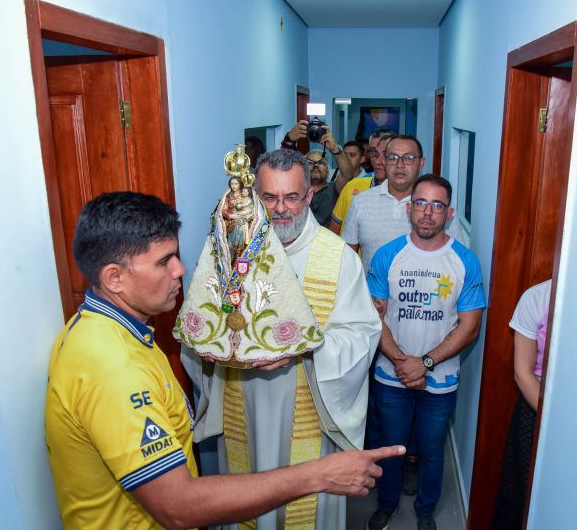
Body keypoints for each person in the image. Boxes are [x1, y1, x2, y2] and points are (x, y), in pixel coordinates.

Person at [45, 191, 403, 529]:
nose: (180, 270)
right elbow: (177, 506)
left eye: (175, 256)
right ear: (114, 278)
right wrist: (319, 474)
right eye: (164, 261)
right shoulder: (113, 367)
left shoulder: (102, 330)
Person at [182, 149, 382, 529]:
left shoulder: (337, 258)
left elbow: (362, 335)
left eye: (292, 197)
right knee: (246, 496)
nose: (281, 209)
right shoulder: (227, 251)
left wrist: (301, 350)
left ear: (310, 195)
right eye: (269, 197)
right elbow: (198, 323)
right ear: (255, 196)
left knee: (306, 501)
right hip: (244, 402)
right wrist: (208, 348)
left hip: (308, 401)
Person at [366, 175, 486, 530]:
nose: (427, 213)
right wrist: (404, 363)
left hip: (441, 379)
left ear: (448, 213)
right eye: (421, 203)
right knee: (391, 446)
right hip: (391, 375)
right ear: (410, 208)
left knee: (432, 452)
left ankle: (425, 511)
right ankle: (385, 505)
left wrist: (426, 363)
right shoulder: (388, 255)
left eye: (437, 206)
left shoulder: (465, 261)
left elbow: (470, 327)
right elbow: (373, 317)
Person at [342, 135, 464, 271]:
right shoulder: (361, 202)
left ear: (421, 163)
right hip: (370, 291)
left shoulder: (439, 208)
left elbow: (458, 260)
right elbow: (347, 259)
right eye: (393, 158)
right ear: (384, 161)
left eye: (408, 158)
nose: (400, 165)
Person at [491, 279, 552, 530]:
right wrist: (554, 418)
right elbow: (523, 374)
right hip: (537, 405)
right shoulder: (537, 297)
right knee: (520, 490)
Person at [282, 119, 358, 226]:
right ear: (303, 168)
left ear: (327, 169)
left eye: (321, 163)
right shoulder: (296, 189)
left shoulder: (334, 189)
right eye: (310, 162)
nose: (316, 165)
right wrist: (289, 139)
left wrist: (335, 148)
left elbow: (348, 174)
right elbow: (282, 168)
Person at [328, 130, 396, 236]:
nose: (379, 161)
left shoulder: (407, 194)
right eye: (373, 152)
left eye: (386, 154)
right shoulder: (352, 187)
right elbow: (332, 235)